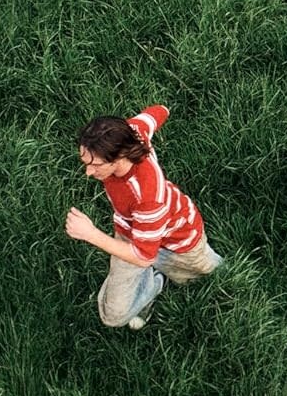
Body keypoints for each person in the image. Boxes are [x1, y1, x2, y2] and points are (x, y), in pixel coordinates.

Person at [64, 105, 222, 330]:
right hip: (132, 232)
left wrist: (90, 234)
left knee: (214, 277)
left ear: (119, 157)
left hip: (178, 242)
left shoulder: (147, 196)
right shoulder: (132, 133)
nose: (88, 172)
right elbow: (156, 113)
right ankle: (153, 285)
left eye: (96, 165)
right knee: (113, 316)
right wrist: (166, 108)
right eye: (85, 162)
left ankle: (166, 271)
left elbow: (142, 257)